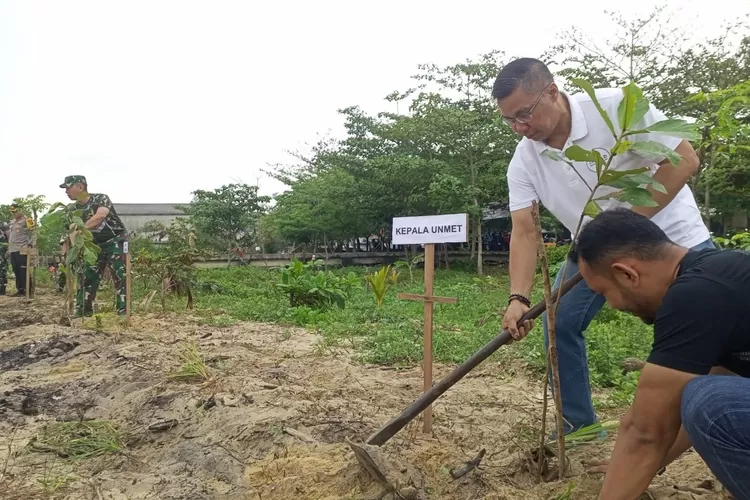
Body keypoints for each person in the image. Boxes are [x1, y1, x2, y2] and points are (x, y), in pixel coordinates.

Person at [492, 57, 714, 436]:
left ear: (552, 92)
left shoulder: (615, 109)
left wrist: (624, 230)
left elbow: (684, 160)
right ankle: (577, 426)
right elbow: (525, 231)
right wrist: (519, 297)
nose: (519, 128)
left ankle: (715, 420)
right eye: (510, 120)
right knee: (558, 320)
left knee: (710, 324)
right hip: (595, 249)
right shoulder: (526, 159)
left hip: (673, 239)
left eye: (524, 114)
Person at [572, 208, 750, 500]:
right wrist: (635, 468)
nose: (612, 305)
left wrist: (632, 465)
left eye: (603, 293)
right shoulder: (718, 274)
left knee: (710, 401)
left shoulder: (693, 295)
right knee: (706, 394)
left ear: (626, 274)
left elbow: (646, 431)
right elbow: (721, 377)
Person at [60, 175, 128, 317]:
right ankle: (83, 311)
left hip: (115, 241)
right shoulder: (72, 209)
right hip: (92, 245)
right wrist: (70, 251)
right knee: (86, 275)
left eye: (68, 187)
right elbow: (70, 230)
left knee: (120, 275)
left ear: (80, 187)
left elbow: (100, 216)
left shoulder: (100, 199)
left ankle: (123, 313)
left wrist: (81, 229)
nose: (66, 191)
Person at [7, 204, 36, 296]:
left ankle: (28, 290)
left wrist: (30, 244)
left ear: (21, 210)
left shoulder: (27, 220)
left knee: (23, 269)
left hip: (22, 248)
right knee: (16, 270)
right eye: (12, 212)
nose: (13, 213)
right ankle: (20, 289)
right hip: (13, 249)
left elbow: (34, 232)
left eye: (15, 211)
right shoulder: (12, 221)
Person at [0, 222, 8, 295]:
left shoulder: (3, 232)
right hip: (3, 255)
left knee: (2, 272)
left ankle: (2, 291)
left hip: (2, 255)